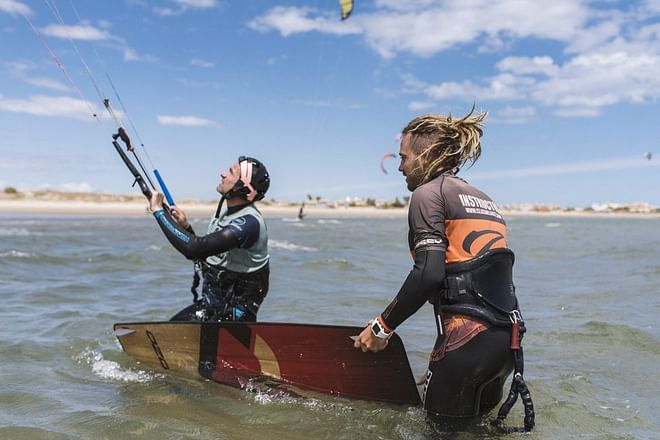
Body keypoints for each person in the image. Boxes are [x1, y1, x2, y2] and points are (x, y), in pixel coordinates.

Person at [353, 110, 532, 427]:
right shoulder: (483, 198)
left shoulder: (428, 194)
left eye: (404, 157)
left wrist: (381, 327)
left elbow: (429, 274)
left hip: (466, 344)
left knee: (436, 433)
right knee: (479, 432)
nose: (400, 166)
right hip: (506, 345)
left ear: (426, 155)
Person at [148, 156, 271, 323]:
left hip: (236, 314)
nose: (222, 174)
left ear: (244, 189)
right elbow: (206, 251)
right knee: (166, 331)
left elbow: (193, 249)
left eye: (230, 172)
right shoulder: (225, 212)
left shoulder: (249, 223)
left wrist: (158, 211)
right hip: (212, 307)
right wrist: (185, 227)